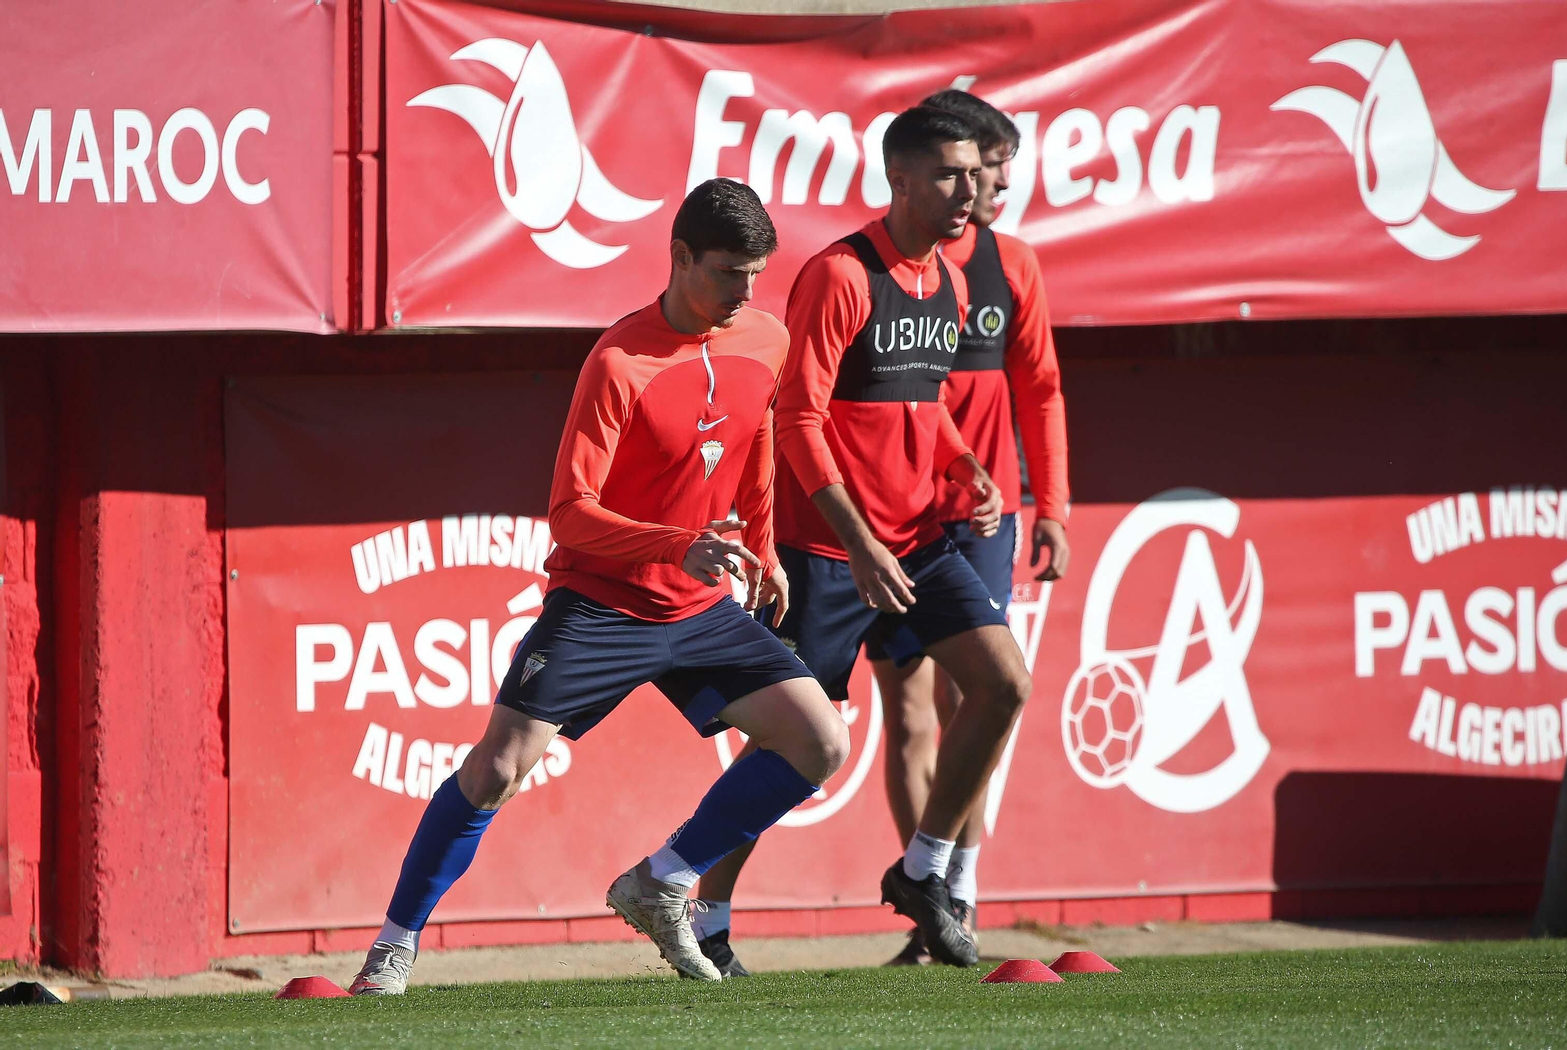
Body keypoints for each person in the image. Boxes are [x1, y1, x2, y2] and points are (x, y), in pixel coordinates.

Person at [347, 179, 849, 993]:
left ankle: (663, 880)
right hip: (602, 603)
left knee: (821, 740)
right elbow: (569, 515)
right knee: (497, 768)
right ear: (680, 257)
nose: (745, 291)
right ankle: (392, 947)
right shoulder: (618, 361)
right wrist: (675, 544)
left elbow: (757, 436)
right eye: (728, 272)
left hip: (700, 604)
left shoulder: (766, 337)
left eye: (756, 274)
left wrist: (764, 547)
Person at [691, 106, 1032, 974]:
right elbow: (798, 419)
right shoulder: (841, 274)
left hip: (917, 540)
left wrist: (963, 465)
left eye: (975, 173)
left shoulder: (950, 281)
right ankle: (706, 914)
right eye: (950, 174)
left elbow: (925, 402)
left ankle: (923, 870)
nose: (970, 190)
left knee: (1003, 684)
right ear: (901, 181)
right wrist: (859, 541)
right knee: (790, 742)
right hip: (829, 551)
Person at [877, 89, 1070, 966]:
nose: (990, 186)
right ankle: (928, 914)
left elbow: (1042, 391)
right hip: (897, 518)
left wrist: (1051, 506)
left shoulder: (1011, 264)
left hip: (982, 522)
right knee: (908, 710)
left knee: (978, 700)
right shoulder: (885, 268)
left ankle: (957, 891)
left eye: (993, 170)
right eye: (981, 168)